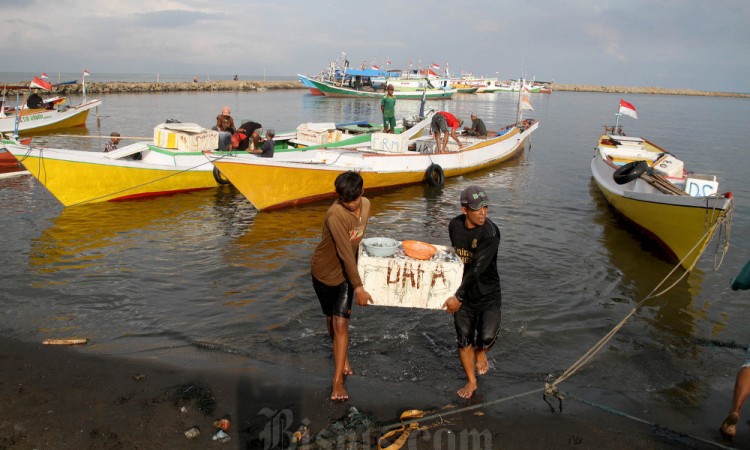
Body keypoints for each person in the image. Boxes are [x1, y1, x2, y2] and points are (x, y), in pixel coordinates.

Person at [311, 171, 373, 401]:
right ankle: (342, 357)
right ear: (338, 196)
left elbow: (357, 244)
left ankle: (337, 382)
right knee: (330, 319)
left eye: (353, 200)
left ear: (362, 193)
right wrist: (359, 287)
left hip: (346, 275)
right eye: (344, 199)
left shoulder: (366, 205)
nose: (349, 204)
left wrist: (356, 280)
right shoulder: (335, 213)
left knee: (340, 324)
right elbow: (345, 251)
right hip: (323, 272)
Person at [442, 185, 502, 399]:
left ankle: (481, 352)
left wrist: (457, 297)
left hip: (488, 293)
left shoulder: (491, 233)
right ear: (465, 209)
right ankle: (471, 381)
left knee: (486, 337)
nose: (483, 212)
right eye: (478, 209)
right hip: (464, 294)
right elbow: (456, 260)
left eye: (485, 207)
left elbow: (477, 269)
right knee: (463, 339)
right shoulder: (454, 226)